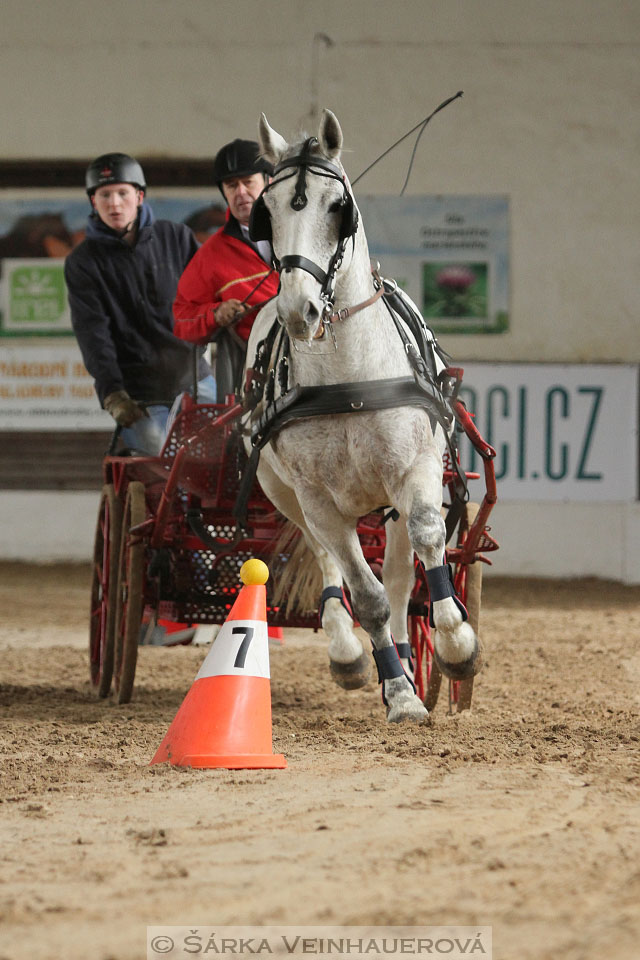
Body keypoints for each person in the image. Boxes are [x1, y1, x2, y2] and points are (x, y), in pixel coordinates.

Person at [64, 152, 216, 455]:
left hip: (195, 379)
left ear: (140, 196)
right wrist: (112, 393)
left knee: (221, 453)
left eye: (123, 192)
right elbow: (94, 334)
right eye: (104, 194)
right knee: (163, 457)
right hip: (140, 395)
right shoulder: (83, 263)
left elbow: (211, 291)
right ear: (94, 201)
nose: (114, 203)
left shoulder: (177, 238)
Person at [173, 139, 279, 398]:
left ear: (268, 181)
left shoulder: (303, 232)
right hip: (261, 381)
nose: (240, 192)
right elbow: (181, 318)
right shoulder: (211, 254)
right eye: (232, 186)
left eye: (248, 182)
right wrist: (215, 313)